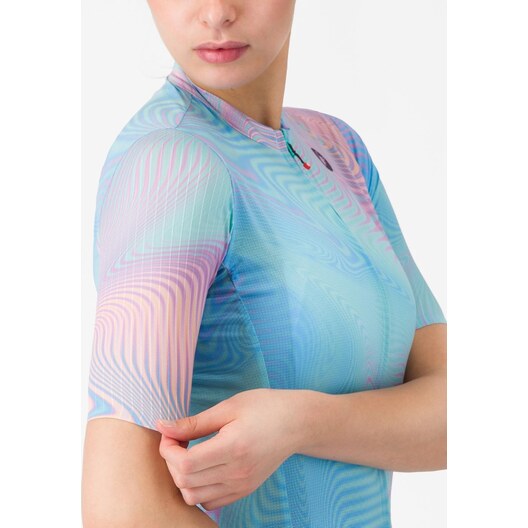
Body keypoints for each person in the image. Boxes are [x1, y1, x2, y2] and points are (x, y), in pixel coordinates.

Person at [82, 1, 447, 526]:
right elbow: (123, 508)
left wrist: (301, 423)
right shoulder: (171, 163)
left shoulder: (337, 149)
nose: (216, 13)